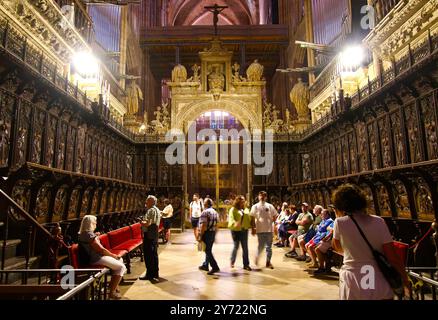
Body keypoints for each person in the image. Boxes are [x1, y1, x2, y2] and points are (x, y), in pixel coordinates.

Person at [331, 184, 410, 300]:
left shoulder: (340, 223)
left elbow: (337, 247)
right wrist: (404, 279)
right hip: (376, 275)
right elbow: (392, 256)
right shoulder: (379, 221)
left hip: (353, 277)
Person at [78, 215, 126, 299]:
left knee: (120, 259)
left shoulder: (86, 233)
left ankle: (114, 286)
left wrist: (95, 236)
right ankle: (112, 292)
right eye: (94, 222)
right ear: (90, 223)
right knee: (121, 267)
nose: (96, 223)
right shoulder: (88, 234)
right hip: (95, 259)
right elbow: (100, 249)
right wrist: (112, 255)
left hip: (97, 257)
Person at [250, 191, 277, 269]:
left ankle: (268, 262)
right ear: (258, 197)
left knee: (269, 247)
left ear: (266, 197)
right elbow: (252, 218)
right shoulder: (255, 206)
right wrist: (253, 228)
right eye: (260, 196)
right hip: (260, 229)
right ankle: (257, 258)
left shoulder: (270, 206)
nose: (262, 197)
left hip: (269, 229)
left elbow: (275, 215)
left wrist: (274, 225)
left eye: (264, 196)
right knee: (261, 247)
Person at [139, 195, 161, 282]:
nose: (146, 202)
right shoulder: (157, 209)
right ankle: (155, 273)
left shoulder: (151, 210)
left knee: (148, 255)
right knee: (154, 254)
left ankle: (149, 274)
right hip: (154, 233)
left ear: (152, 202)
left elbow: (148, 224)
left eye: (147, 201)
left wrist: (141, 222)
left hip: (149, 234)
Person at [228, 195, 252, 271]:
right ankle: (232, 261)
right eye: (242, 201)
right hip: (236, 231)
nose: (243, 202)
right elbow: (231, 219)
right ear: (237, 201)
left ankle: (246, 264)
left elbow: (249, 218)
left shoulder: (246, 209)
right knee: (236, 246)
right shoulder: (233, 209)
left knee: (245, 248)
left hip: (244, 230)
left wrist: (253, 226)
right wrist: (235, 223)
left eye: (244, 201)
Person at [198, 198, 220, 275]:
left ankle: (215, 267)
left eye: (204, 202)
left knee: (207, 250)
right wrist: (215, 235)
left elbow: (203, 225)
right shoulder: (215, 212)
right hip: (212, 233)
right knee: (208, 249)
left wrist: (200, 235)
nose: (203, 204)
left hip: (206, 233)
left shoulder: (205, 212)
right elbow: (217, 225)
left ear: (206, 204)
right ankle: (205, 265)